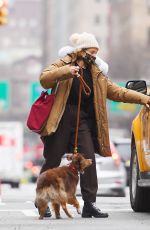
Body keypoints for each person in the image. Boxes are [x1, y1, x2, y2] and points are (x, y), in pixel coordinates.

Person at [38, 32, 150, 218]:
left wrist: (144, 98)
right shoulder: (64, 63)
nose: (94, 56)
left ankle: (89, 204)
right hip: (60, 119)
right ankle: (43, 199)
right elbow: (44, 78)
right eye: (91, 51)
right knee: (52, 159)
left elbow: (118, 92)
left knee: (88, 160)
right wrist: (67, 71)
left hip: (82, 122)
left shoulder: (97, 73)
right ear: (80, 51)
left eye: (96, 52)